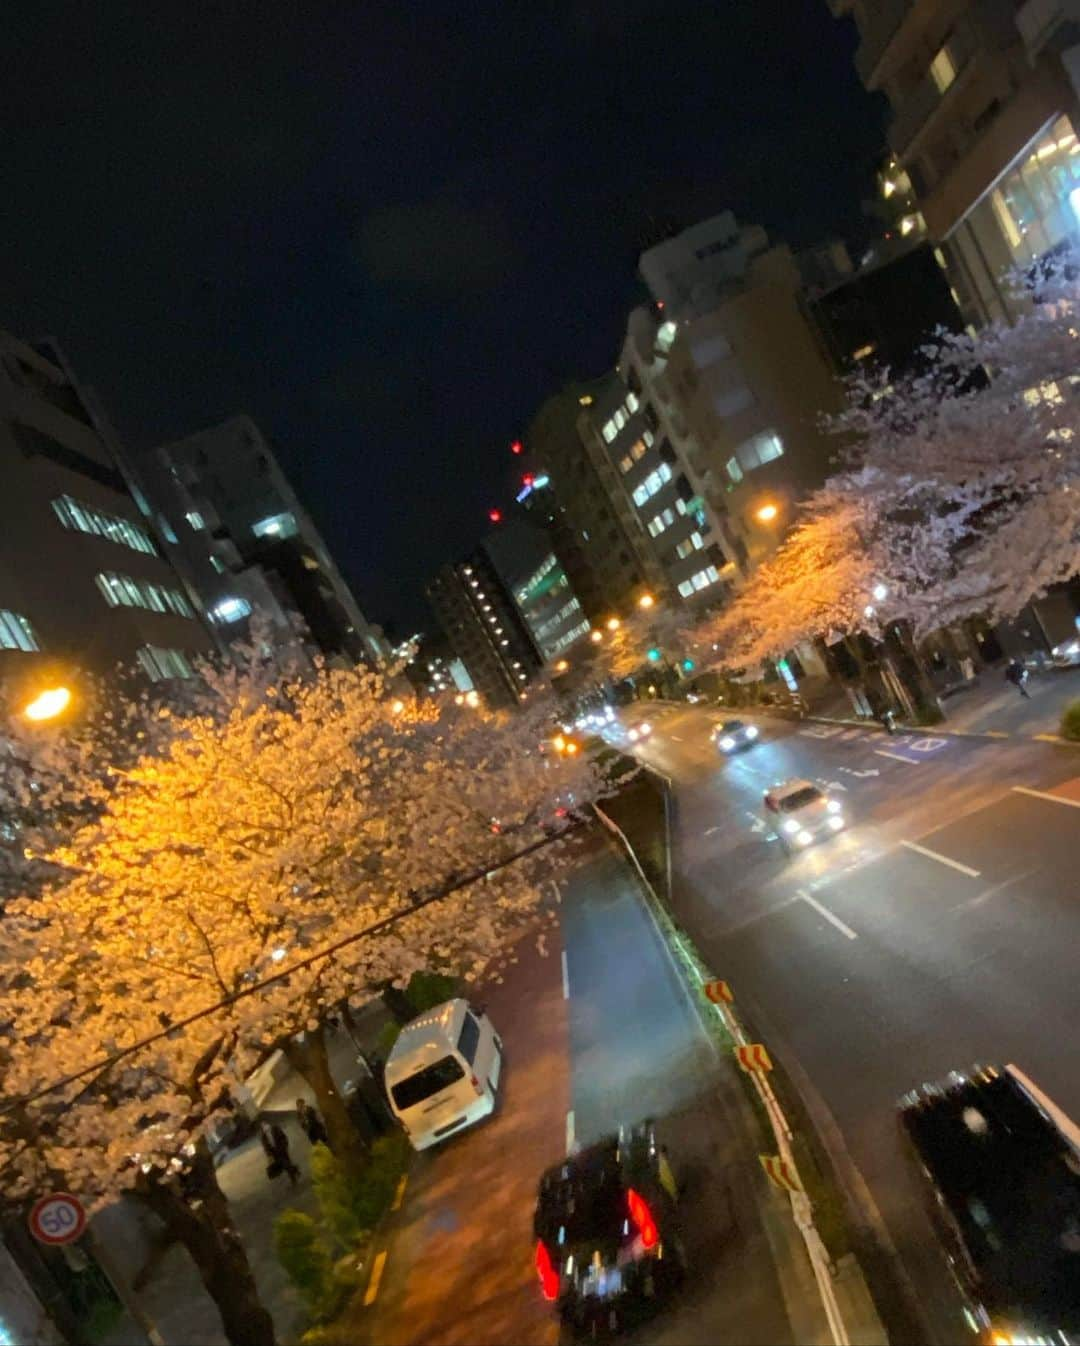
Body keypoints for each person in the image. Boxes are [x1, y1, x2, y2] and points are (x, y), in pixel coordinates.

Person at [260, 1121, 300, 1186]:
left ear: (268, 1124)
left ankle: (294, 1174)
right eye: (263, 1126)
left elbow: (283, 1136)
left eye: (265, 1125)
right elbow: (265, 1147)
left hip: (282, 1149)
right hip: (275, 1153)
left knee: (287, 1163)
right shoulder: (263, 1136)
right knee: (285, 1165)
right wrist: (269, 1155)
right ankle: (294, 1172)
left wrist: (285, 1145)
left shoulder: (275, 1128)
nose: (265, 1127)